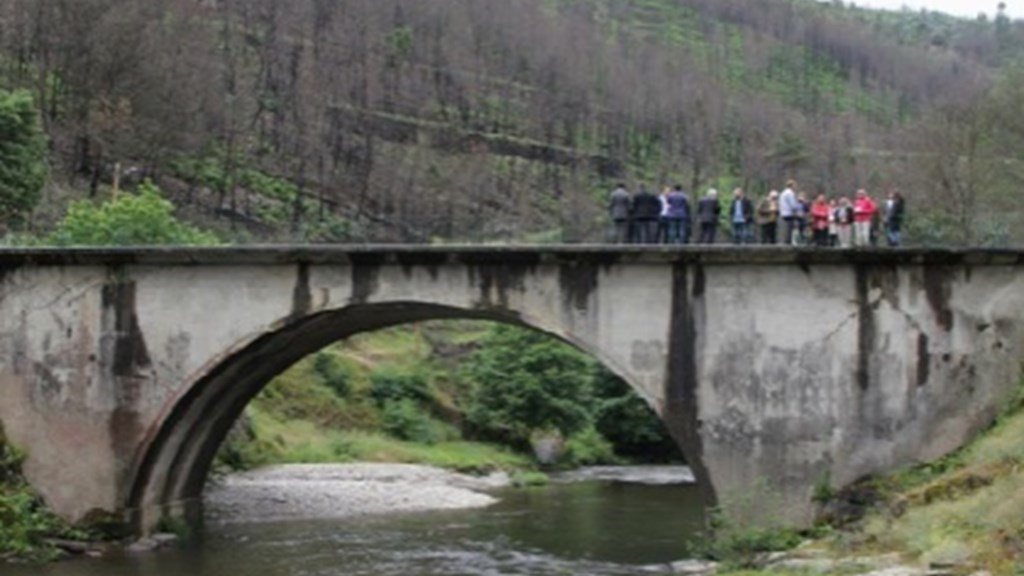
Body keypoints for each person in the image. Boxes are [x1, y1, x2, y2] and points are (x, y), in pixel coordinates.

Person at [779, 180, 800, 245]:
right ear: (792, 186)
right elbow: (793, 205)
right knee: (789, 230)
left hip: (783, 212)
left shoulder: (783, 193)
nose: (796, 187)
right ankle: (788, 243)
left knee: (785, 229)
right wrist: (798, 208)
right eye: (795, 185)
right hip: (789, 213)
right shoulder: (790, 193)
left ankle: (785, 241)